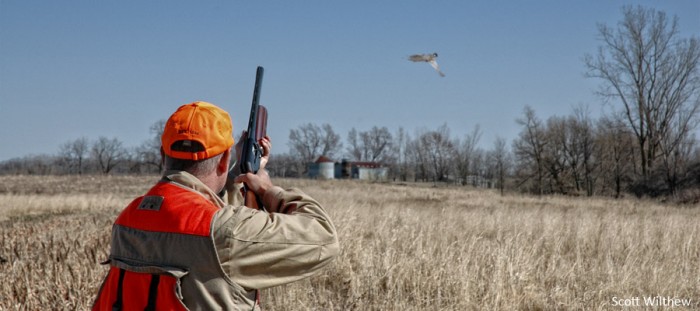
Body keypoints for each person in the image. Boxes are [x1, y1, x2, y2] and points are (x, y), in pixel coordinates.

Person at [92, 101, 340, 310]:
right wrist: (267, 189)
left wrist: (238, 175)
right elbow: (324, 238)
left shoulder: (129, 218)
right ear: (224, 159)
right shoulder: (223, 231)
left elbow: (202, 231)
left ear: (162, 155)